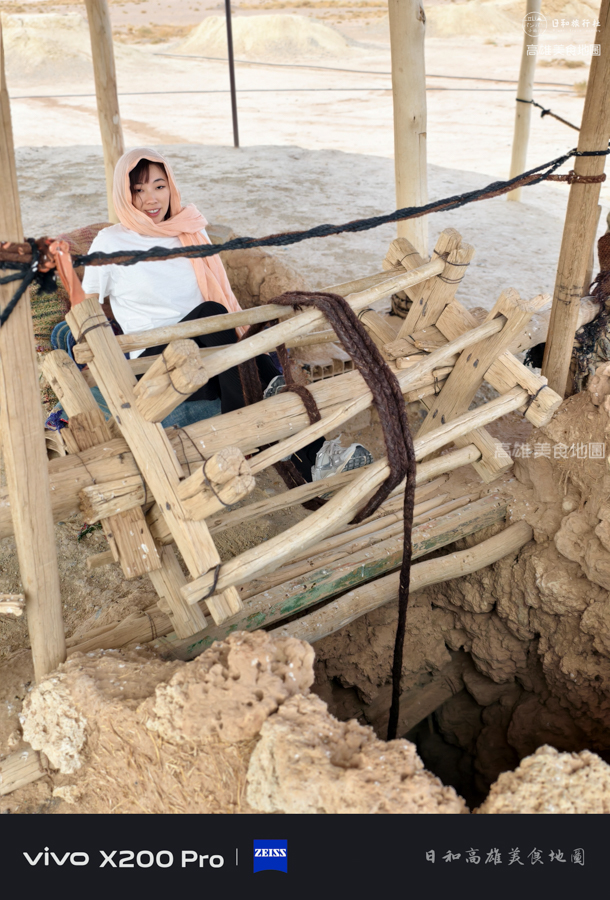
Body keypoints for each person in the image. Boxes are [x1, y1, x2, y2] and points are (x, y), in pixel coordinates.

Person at [81, 148, 371, 482]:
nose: (151, 198)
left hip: (206, 361)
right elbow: (86, 307)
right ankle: (242, 426)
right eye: (139, 189)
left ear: (171, 186)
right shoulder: (111, 241)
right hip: (155, 365)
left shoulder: (189, 231)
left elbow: (221, 293)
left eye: (159, 186)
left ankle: (317, 462)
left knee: (252, 362)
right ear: (124, 193)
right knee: (213, 316)